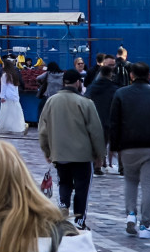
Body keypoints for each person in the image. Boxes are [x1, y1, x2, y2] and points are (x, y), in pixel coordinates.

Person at [110, 61, 150, 239]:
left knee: (130, 181)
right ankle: (145, 225)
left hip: (128, 145)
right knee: (148, 185)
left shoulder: (121, 93)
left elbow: (114, 122)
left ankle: (130, 214)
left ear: (131, 75)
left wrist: (114, 146)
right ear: (149, 75)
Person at [38, 69, 105, 230]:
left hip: (60, 152)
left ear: (63, 82)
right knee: (82, 187)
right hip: (82, 153)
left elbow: (43, 129)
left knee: (64, 182)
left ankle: (63, 204)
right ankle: (80, 221)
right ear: (77, 82)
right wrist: (99, 154)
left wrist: (47, 151)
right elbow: (95, 131)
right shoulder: (85, 102)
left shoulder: (51, 101)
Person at [85, 57, 119, 176]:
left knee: (93, 142)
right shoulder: (114, 89)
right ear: (110, 74)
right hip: (108, 119)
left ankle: (96, 163)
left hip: (93, 118)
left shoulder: (92, 87)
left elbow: (85, 99)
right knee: (104, 142)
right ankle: (100, 163)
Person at [0, 59, 27, 134]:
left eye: (3, 64)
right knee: (16, 113)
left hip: (7, 96)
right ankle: (19, 126)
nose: (2, 66)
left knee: (5, 113)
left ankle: (4, 127)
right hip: (14, 96)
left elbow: (3, 87)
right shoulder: (14, 74)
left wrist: (2, 96)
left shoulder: (4, 75)